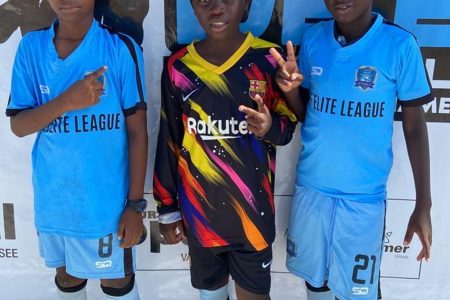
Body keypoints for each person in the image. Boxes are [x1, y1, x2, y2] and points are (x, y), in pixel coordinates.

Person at [269, 0, 433, 299]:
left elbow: (414, 127)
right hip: (312, 191)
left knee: (359, 292)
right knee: (315, 284)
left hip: (362, 202)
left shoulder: (399, 45)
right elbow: (306, 113)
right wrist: (290, 90)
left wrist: (424, 202)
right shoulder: (315, 38)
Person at [153, 0, 297, 299]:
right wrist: (167, 209)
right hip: (201, 217)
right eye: (205, 0)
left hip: (253, 220)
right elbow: (169, 139)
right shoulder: (179, 66)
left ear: (244, 4)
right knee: (211, 295)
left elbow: (287, 131)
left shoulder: (269, 59)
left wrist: (269, 127)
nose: (216, 8)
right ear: (193, 7)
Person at [6, 0, 148, 299]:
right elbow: (19, 126)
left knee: (117, 283)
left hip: (107, 207)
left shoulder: (120, 47)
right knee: (68, 279)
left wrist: (135, 206)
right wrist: (66, 102)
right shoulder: (32, 47)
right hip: (56, 204)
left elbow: (137, 131)